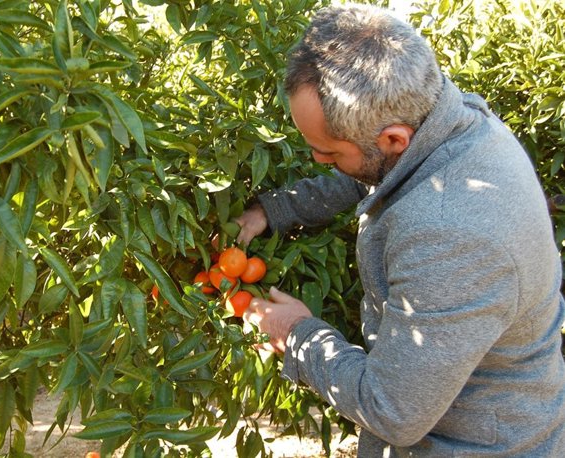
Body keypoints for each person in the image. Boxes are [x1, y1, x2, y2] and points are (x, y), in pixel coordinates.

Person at [235, 4, 565, 457]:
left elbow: (393, 410)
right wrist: (272, 211)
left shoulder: (451, 237)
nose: (318, 161)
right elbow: (369, 169)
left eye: (328, 154)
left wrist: (297, 334)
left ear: (393, 139)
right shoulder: (453, 120)